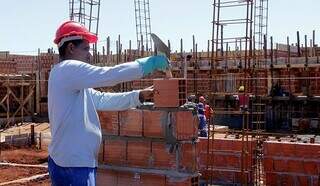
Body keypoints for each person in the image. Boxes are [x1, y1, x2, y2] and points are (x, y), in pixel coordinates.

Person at [47, 20, 170, 185]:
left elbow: (102, 100)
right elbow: (109, 75)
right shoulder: (68, 68)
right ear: (70, 48)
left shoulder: (67, 77)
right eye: (86, 49)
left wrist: (138, 96)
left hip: (70, 160)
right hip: (75, 164)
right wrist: (149, 64)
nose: (89, 55)